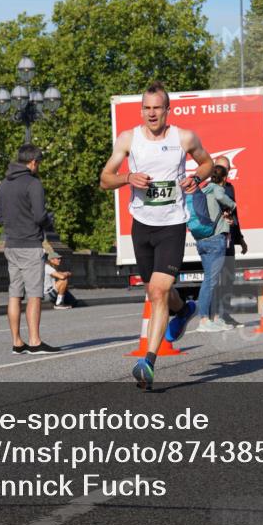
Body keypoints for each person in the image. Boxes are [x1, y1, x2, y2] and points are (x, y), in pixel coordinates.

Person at [100, 81, 213, 390]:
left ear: (167, 110)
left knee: (159, 292)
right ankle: (184, 308)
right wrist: (127, 178)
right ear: (141, 110)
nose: (152, 113)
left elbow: (207, 163)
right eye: (147, 108)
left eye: (157, 108)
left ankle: (148, 362)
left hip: (172, 225)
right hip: (142, 225)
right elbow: (104, 179)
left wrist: (195, 179)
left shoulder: (184, 137)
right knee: (155, 291)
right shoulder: (128, 139)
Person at [0, 144, 61, 355]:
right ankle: (34, 341)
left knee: (14, 294)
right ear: (33, 162)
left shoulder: (3, 184)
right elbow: (40, 216)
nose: (38, 166)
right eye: (38, 163)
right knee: (34, 295)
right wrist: (49, 219)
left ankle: (17, 342)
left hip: (11, 245)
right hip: (30, 245)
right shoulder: (34, 183)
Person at [195, 164, 236, 332]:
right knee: (211, 281)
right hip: (215, 240)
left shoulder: (204, 190)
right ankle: (204, 319)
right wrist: (232, 205)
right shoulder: (217, 190)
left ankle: (215, 317)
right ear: (225, 178)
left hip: (202, 240)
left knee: (213, 280)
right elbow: (225, 199)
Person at [212, 155, 247, 327]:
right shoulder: (209, 188)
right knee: (216, 278)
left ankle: (225, 314)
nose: (226, 172)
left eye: (228, 169)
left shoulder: (230, 188)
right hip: (216, 238)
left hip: (229, 239)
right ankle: (214, 316)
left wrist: (240, 238)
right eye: (222, 168)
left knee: (228, 277)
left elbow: (235, 214)